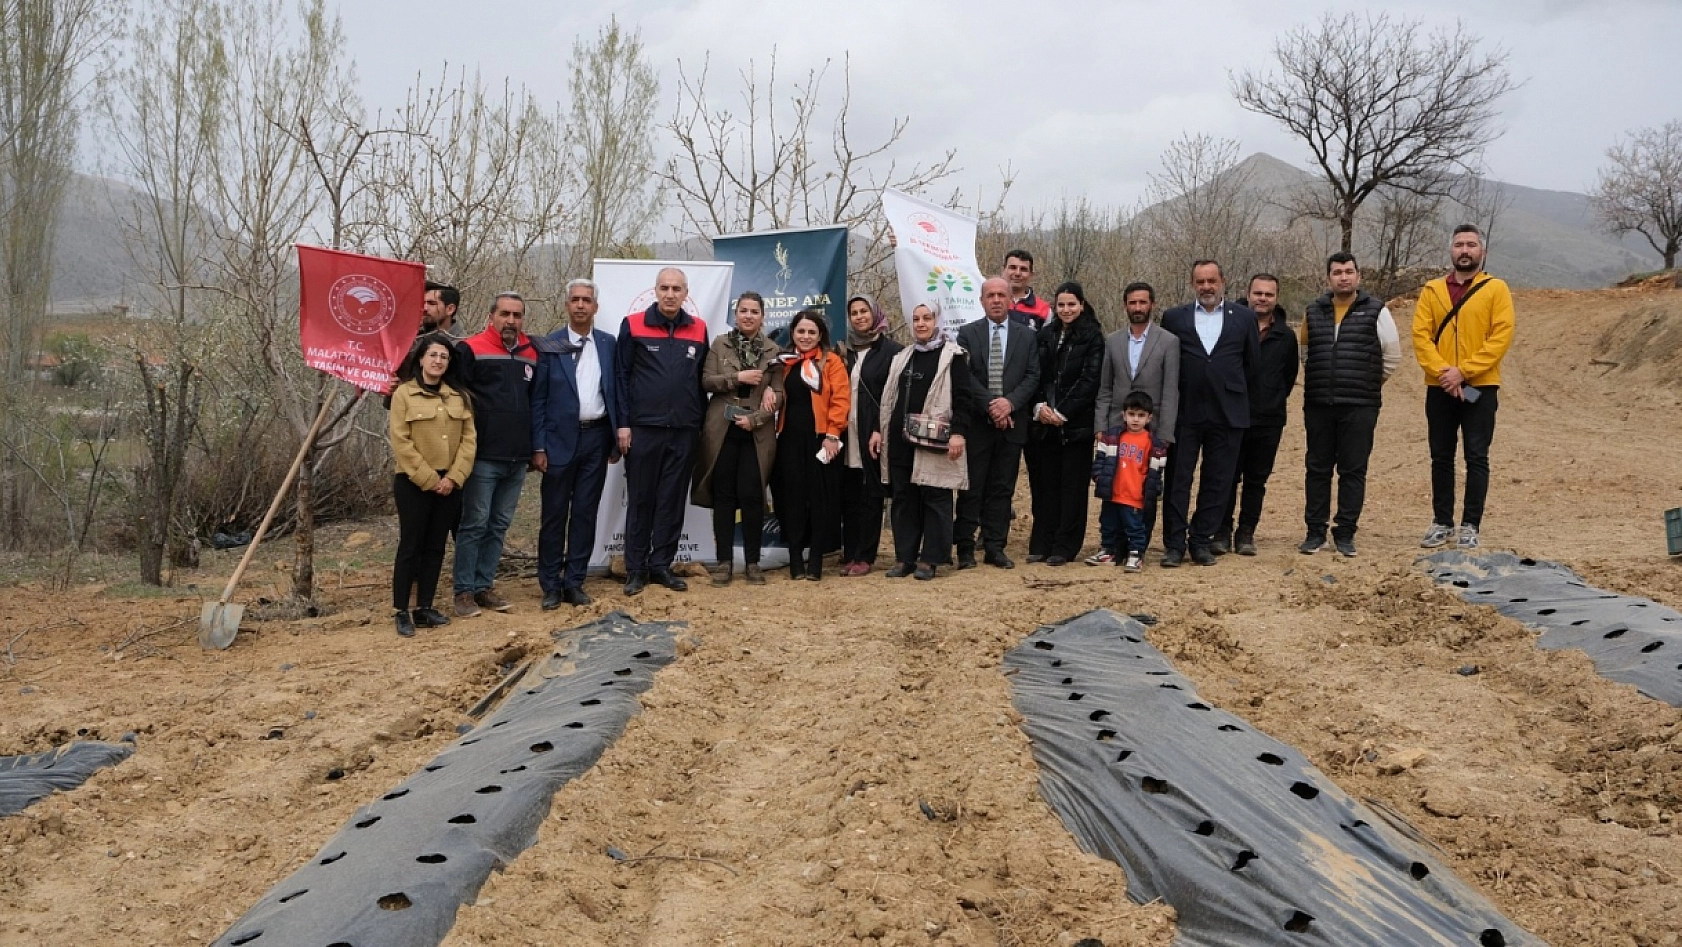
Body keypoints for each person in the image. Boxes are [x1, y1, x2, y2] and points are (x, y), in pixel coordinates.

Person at [1413, 224, 1515, 552]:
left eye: (1471, 244)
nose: (1465, 250)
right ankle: (1442, 522)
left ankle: (1471, 524)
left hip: (1480, 388)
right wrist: (1446, 374)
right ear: (1451, 251)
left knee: (1476, 455)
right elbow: (1421, 336)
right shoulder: (1431, 290)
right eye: (1459, 244)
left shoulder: (1496, 289)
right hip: (1440, 387)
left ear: (1481, 252)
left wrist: (1464, 372)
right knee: (1441, 456)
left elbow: (1500, 337)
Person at [869, 302, 985, 579]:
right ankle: (905, 557)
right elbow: (887, 399)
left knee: (935, 496)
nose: (921, 324)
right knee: (903, 498)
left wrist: (959, 433)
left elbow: (963, 399)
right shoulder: (903, 356)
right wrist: (878, 429)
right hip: (899, 440)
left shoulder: (953, 356)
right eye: (916, 319)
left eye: (927, 318)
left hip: (935, 440)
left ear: (937, 320)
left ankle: (931, 559)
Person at [1297, 252, 1402, 557]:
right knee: (1316, 468)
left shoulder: (1377, 311)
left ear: (1358, 276)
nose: (1343, 277)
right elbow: (1305, 353)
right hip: (1319, 403)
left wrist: (1366, 383)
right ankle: (1315, 532)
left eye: (1348, 271)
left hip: (1360, 404)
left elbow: (1392, 357)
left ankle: (1345, 532)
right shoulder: (1312, 311)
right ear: (1328, 278)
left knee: (1352, 470)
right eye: (1337, 272)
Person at [1159, 260, 1260, 568]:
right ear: (1193, 284)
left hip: (1227, 413)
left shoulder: (1243, 318)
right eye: (1200, 281)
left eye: (1211, 280)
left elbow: (1251, 366)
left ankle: (1201, 541)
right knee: (1178, 480)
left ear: (1223, 281)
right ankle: (1175, 544)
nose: (1206, 287)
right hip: (1186, 412)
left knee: (1218, 481)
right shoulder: (1174, 318)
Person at [616, 267, 708, 596]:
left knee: (672, 501)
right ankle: (636, 570)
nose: (670, 294)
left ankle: (661, 566)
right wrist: (623, 424)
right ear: (655, 290)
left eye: (677, 289)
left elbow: (701, 381)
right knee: (641, 500)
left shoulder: (698, 329)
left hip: (684, 430)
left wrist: (698, 426)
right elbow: (621, 378)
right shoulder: (634, 325)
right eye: (665, 288)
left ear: (686, 294)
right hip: (643, 429)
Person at [530, 279, 622, 609]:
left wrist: (616, 435)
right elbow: (537, 399)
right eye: (575, 300)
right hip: (557, 441)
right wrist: (538, 446)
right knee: (554, 515)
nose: (581, 305)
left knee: (585, 513)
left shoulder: (609, 344)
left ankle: (575, 582)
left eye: (587, 300)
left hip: (596, 438)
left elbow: (616, 392)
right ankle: (551, 585)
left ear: (596, 307)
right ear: (566, 305)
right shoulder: (548, 344)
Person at [451, 292, 536, 617]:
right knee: (475, 523)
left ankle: (484, 585)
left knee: (499, 524)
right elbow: (456, 398)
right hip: (482, 455)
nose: (511, 320)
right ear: (492, 316)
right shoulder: (470, 349)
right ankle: (463, 592)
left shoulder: (531, 353)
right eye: (505, 314)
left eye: (517, 315)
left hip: (517, 458)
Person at [388, 333, 476, 637]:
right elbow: (401, 442)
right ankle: (401, 610)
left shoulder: (458, 397)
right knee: (410, 546)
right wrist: (430, 479)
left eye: (444, 357)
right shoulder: (403, 395)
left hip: (450, 483)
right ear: (421, 359)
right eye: (433, 355)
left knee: (436, 547)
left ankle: (424, 607)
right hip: (414, 483)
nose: (438, 361)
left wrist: (453, 477)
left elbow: (468, 440)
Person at [692, 292, 783, 586]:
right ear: (736, 314)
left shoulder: (774, 351)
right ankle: (724, 563)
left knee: (753, 496)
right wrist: (737, 378)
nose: (748, 316)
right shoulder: (720, 344)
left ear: (762, 316)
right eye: (743, 310)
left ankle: (753, 564)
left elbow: (779, 395)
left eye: (754, 311)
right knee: (724, 497)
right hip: (722, 429)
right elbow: (706, 381)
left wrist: (756, 418)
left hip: (756, 432)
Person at [954, 277, 1041, 569]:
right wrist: (993, 405)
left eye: (1001, 295)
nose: (996, 300)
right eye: (990, 295)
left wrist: (1010, 404)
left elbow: (1032, 376)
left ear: (1010, 300)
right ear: (981, 301)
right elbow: (965, 377)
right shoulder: (967, 334)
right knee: (972, 487)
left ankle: (995, 546)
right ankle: (965, 547)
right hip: (978, 424)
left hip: (1013, 425)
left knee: (1002, 489)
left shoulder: (1026, 336)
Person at [1089, 282, 1179, 564]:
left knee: (1145, 489)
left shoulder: (1168, 341)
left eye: (1143, 302)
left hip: (1150, 432)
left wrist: (1164, 433)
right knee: (1113, 486)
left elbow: (1170, 390)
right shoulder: (1113, 341)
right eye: (1132, 303)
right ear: (1125, 305)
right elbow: (1105, 388)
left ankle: (1137, 549)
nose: (1137, 308)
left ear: (1152, 304)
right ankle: (1111, 548)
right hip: (1117, 429)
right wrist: (1101, 427)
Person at [1214, 273, 1299, 556]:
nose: (1262, 299)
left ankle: (1246, 532)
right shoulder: (1230, 326)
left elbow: (1289, 377)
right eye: (1258, 293)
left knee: (1256, 480)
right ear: (1248, 294)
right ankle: (1222, 531)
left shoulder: (1286, 336)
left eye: (1269, 294)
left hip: (1267, 420)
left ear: (1276, 298)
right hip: (1230, 417)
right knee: (1227, 477)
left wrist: (1269, 400)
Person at [1024, 281, 1104, 565]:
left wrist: (1063, 412)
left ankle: (1065, 546)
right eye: (1061, 305)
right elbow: (1035, 374)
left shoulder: (1093, 337)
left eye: (1072, 304)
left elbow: (1089, 380)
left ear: (1081, 305)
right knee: (1045, 487)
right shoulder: (1045, 335)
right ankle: (1042, 542)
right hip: (1043, 425)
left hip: (1075, 426)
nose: (1066, 309)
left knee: (1072, 488)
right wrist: (1040, 407)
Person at [771, 309, 851, 580]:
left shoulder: (832, 362)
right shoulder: (783, 363)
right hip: (789, 440)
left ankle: (816, 560)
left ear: (820, 336)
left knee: (820, 501)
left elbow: (841, 400)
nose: (805, 337)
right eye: (801, 331)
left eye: (811, 332)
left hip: (821, 440)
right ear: (792, 333)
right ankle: (795, 559)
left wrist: (833, 435)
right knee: (791, 500)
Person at [835, 294, 903, 576]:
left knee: (870, 494)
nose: (860, 316)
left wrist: (879, 428)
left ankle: (866, 555)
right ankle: (849, 552)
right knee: (848, 494)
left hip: (873, 433)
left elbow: (893, 396)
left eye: (864, 311)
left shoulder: (893, 351)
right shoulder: (843, 350)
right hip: (844, 431)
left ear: (875, 313)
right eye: (854, 312)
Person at [1092, 391, 1167, 573]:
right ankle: (1108, 551)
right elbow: (1100, 460)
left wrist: (1152, 491)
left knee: (1134, 527)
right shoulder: (1112, 437)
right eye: (1132, 414)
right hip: (1113, 493)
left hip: (1134, 496)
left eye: (1141, 415)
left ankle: (1136, 554)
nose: (1135, 419)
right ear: (1124, 415)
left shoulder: (1153, 444)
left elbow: (1157, 471)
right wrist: (1099, 478)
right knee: (1108, 524)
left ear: (1149, 418)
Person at [1003, 249, 1051, 329]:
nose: (1017, 273)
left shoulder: (1044, 310)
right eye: (1013, 268)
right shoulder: (990, 302)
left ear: (1031, 275)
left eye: (1023, 269)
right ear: (1004, 270)